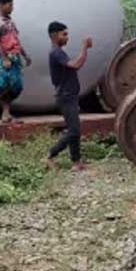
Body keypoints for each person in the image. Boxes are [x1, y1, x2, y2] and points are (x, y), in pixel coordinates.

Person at [45, 21, 93, 171]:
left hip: (69, 95)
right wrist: (85, 48)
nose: (67, 37)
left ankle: (76, 162)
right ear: (54, 35)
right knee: (74, 130)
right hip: (66, 96)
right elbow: (75, 65)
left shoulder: (58, 51)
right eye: (64, 34)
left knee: (74, 129)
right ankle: (50, 155)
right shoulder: (56, 52)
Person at [0, 0, 32, 123]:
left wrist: (24, 55)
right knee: (5, 84)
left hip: (15, 56)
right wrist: (4, 58)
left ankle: (6, 114)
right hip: (7, 57)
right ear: (1, 5)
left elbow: (16, 40)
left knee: (16, 86)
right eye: (10, 5)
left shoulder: (10, 22)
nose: (12, 8)